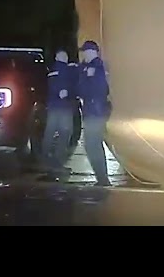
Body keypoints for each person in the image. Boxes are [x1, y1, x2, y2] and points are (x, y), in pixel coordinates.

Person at [77, 40, 112, 187]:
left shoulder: (97, 67)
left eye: (85, 51)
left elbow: (99, 90)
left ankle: (103, 179)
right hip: (93, 111)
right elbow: (80, 89)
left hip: (95, 111)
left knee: (93, 145)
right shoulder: (88, 67)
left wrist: (88, 78)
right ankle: (102, 178)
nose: (83, 54)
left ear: (91, 52)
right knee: (92, 144)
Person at [41, 49, 78, 176]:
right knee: (65, 134)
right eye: (65, 56)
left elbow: (52, 85)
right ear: (60, 57)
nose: (66, 57)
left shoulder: (52, 70)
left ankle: (45, 160)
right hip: (64, 107)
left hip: (53, 106)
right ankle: (57, 162)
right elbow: (68, 87)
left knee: (50, 133)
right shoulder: (65, 70)